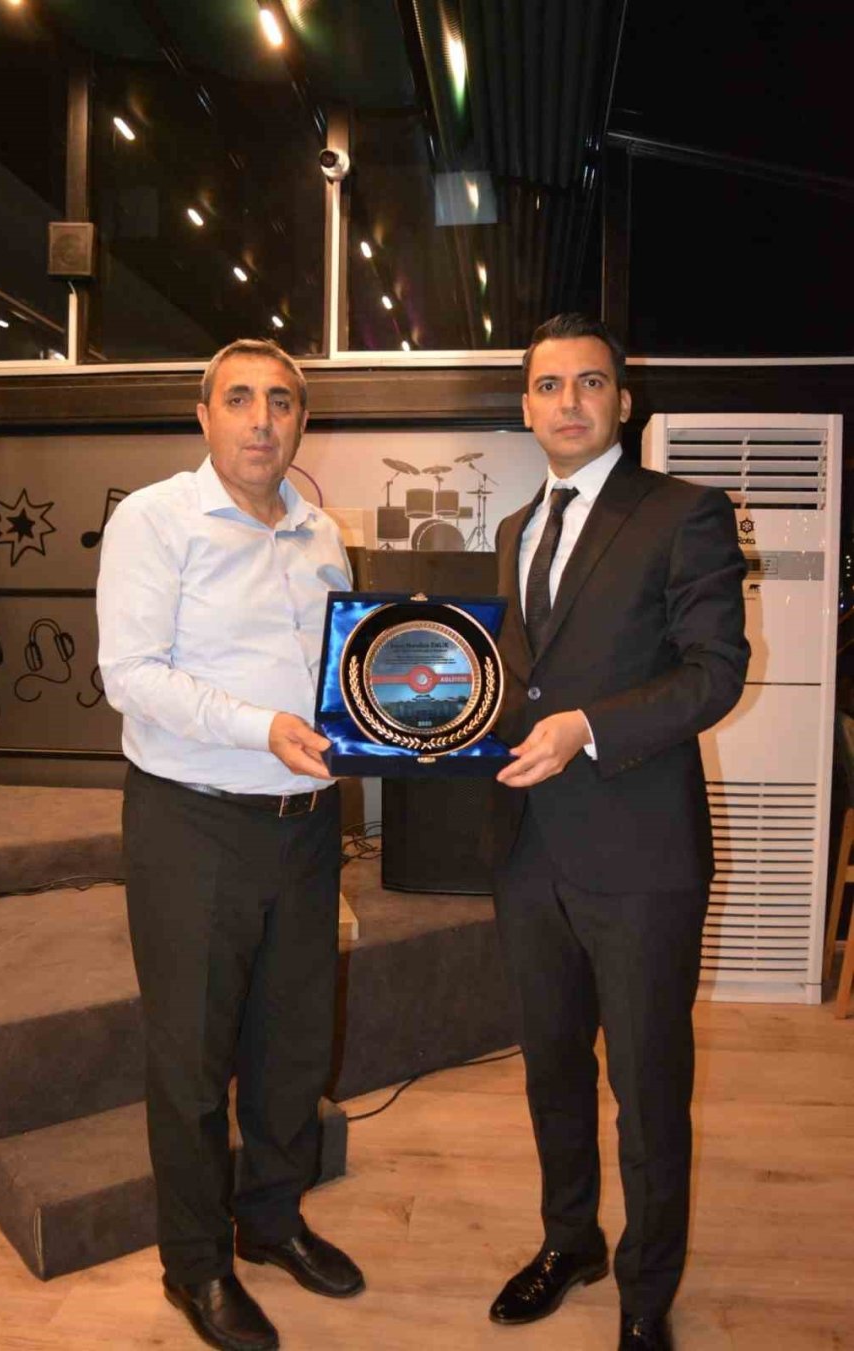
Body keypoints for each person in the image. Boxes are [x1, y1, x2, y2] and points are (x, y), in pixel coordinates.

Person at [488, 314, 749, 1350]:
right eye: (550, 385)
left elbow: (713, 673)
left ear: (623, 402)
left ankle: (647, 1288)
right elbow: (520, 678)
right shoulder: (514, 529)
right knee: (551, 1068)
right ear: (525, 406)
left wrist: (586, 727)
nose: (569, 401)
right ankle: (571, 1241)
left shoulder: (684, 511)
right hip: (527, 850)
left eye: (590, 383)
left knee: (647, 1084)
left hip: (642, 852)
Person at [97, 338, 363, 1351]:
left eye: (282, 401)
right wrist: (263, 728)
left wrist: (387, 726)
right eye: (240, 399)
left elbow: (337, 675)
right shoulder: (154, 520)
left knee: (293, 1047)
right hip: (193, 822)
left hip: (306, 825)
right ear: (203, 415)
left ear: (302, 420)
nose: (262, 419)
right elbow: (132, 674)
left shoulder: (321, 532)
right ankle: (196, 1264)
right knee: (194, 1061)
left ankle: (272, 1220)